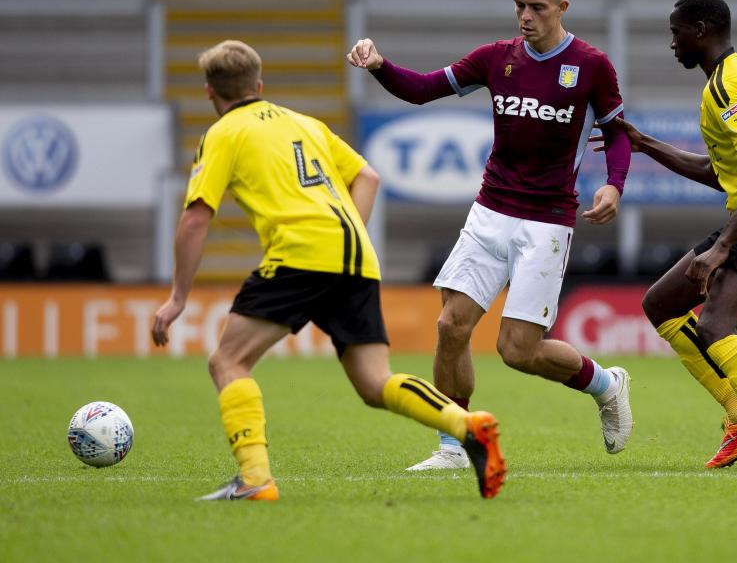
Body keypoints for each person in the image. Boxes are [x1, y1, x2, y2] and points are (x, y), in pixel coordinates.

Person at [151, 40, 506, 500]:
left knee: (228, 361)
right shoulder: (305, 123)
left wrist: (178, 296)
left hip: (299, 252)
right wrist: (343, 237)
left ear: (209, 92)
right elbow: (368, 177)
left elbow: (196, 217)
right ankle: (468, 425)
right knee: (375, 383)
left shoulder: (223, 133)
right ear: (259, 85)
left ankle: (256, 480)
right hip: (356, 253)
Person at [346, 0, 635, 471]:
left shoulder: (591, 66)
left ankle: (606, 383)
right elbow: (422, 89)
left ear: (562, 8)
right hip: (490, 210)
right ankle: (453, 446)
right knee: (451, 325)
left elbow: (617, 134)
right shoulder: (495, 58)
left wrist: (614, 184)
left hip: (547, 219)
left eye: (538, 8)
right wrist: (379, 65)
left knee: (517, 350)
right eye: (520, 5)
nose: (526, 16)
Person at [597, 0, 737, 472]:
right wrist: (645, 145)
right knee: (661, 303)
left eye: (676, 32)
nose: (672, 43)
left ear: (700, 29)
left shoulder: (728, 86)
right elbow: (723, 171)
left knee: (717, 324)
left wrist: (721, 248)